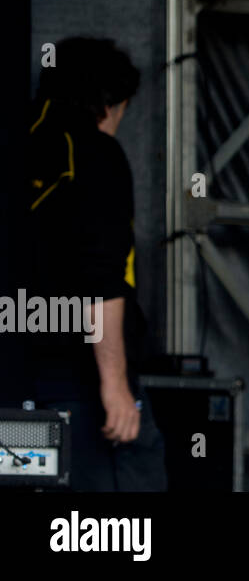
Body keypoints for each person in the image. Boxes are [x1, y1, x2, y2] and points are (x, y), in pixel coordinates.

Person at [24, 36, 166, 491]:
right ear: (110, 105)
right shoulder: (96, 155)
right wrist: (116, 386)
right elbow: (103, 277)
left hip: (19, 379)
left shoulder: (17, 143)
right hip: (80, 384)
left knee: (35, 487)